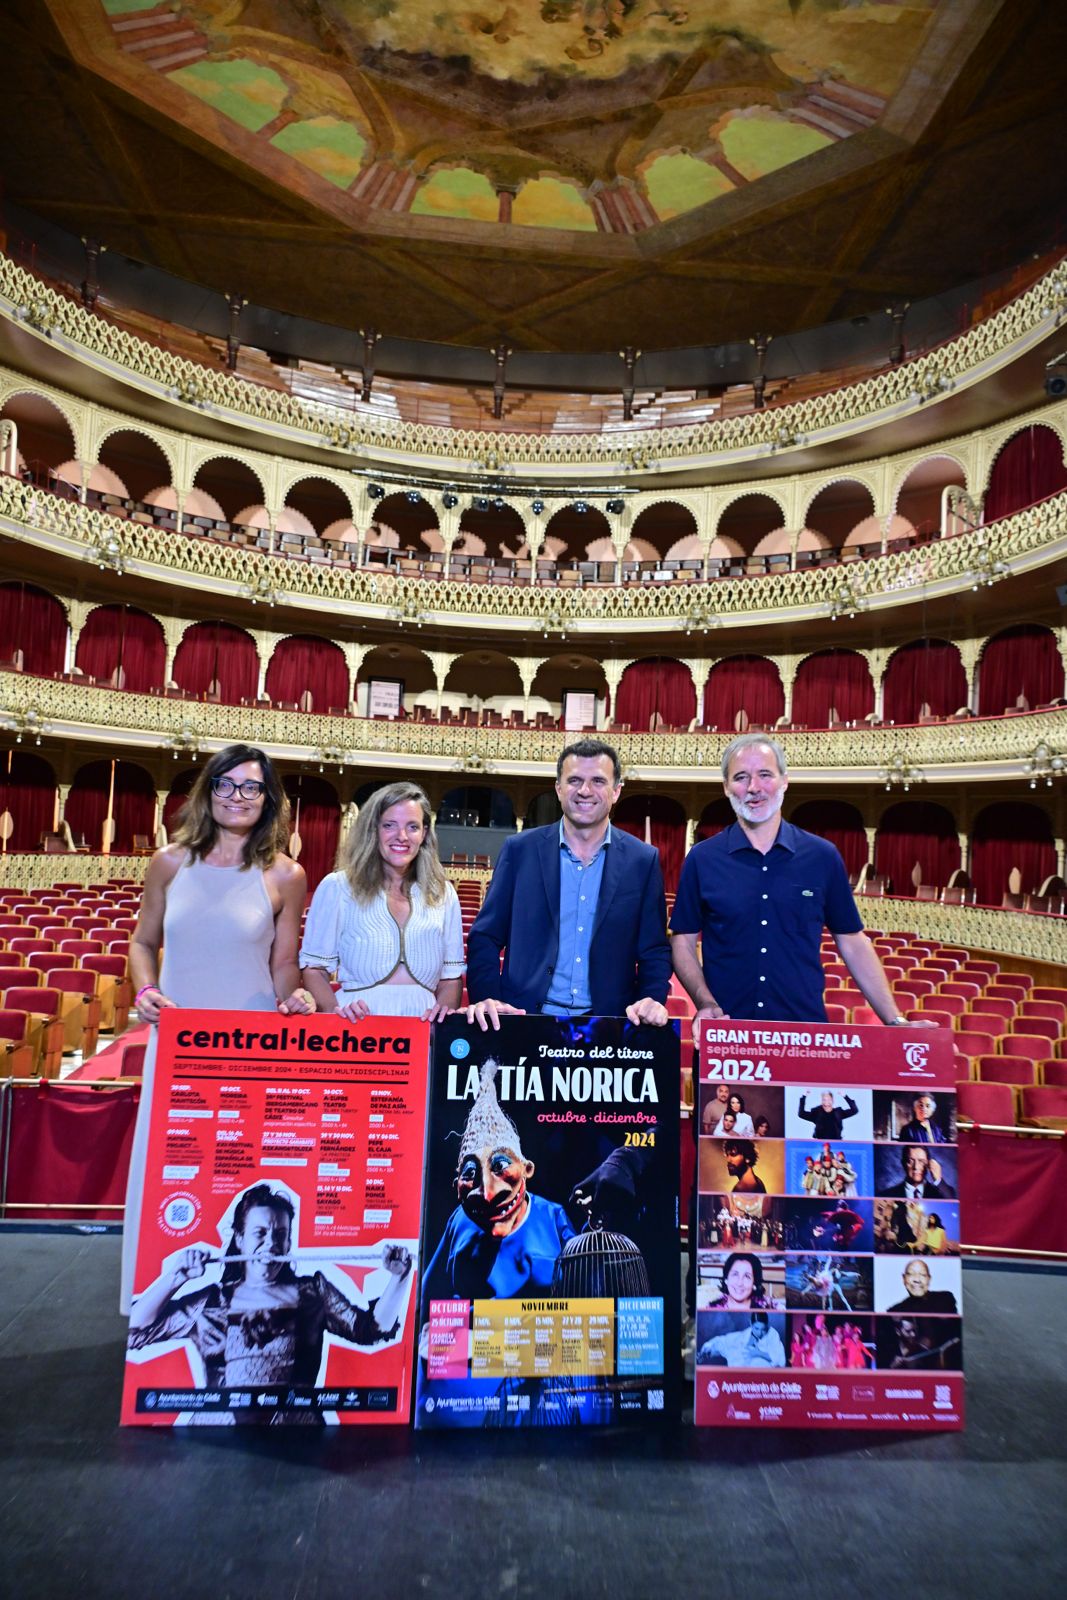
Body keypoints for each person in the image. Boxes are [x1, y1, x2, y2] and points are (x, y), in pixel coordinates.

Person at [122, 744, 314, 1314]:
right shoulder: (170, 863)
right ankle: (155, 1300)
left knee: (242, 1169)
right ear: (208, 792)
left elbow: (283, 963)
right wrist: (146, 989)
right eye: (226, 785)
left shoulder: (286, 874)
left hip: (250, 1043)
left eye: (251, 787)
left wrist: (295, 999)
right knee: (173, 1165)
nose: (237, 797)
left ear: (267, 799)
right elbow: (142, 942)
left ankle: (249, 1303)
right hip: (179, 1042)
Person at [670, 735, 930, 1035]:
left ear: (784, 781)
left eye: (765, 774)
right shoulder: (702, 859)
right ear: (726, 787)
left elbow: (853, 943)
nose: (753, 787)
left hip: (803, 1034)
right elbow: (683, 942)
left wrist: (895, 1020)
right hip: (726, 1032)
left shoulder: (822, 856)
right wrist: (705, 1002)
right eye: (741, 777)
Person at [128, 1183, 412, 1411]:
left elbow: (372, 1330)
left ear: (289, 1242)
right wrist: (174, 1278)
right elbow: (137, 1332)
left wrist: (399, 1277)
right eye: (259, 1233)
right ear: (239, 1239)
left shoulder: (314, 1292)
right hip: (222, 1434)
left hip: (298, 1434)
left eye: (280, 1234)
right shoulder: (211, 1302)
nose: (271, 1243)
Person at [464, 739, 671, 1028]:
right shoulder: (519, 850)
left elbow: (654, 951)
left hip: (608, 1026)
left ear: (616, 791)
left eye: (598, 781)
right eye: (574, 780)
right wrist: (487, 998)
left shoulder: (642, 860)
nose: (585, 791)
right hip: (523, 1020)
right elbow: (485, 937)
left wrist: (652, 998)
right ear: (559, 788)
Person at [420, 1058, 575, 1314]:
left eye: (500, 1165)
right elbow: (429, 1303)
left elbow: (585, 1286)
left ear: (527, 1168)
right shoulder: (458, 1221)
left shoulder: (551, 1216)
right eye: (470, 1172)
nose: (488, 1193)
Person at [299, 780, 464, 1021]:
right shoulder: (337, 887)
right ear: (373, 830)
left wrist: (441, 1020)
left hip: (423, 1025)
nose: (402, 836)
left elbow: (451, 977)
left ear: (425, 833)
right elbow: (314, 968)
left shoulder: (444, 893)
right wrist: (336, 1015)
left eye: (413, 827)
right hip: (356, 1025)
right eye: (389, 825)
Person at [697, 1313, 785, 1369]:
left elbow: (780, 1360)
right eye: (756, 1328)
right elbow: (723, 1342)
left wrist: (758, 1353)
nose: (760, 1333)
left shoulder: (772, 1335)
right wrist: (707, 1351)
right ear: (750, 1323)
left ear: (767, 1326)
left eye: (763, 1329)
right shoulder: (742, 1336)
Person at [703, 1251, 783, 1310]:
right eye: (735, 1274)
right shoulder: (711, 1308)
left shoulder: (770, 1306)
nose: (739, 1283)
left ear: (754, 1283)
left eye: (747, 1276)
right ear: (726, 1279)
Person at [886, 1258, 959, 1315]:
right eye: (911, 1274)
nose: (917, 1279)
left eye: (923, 1274)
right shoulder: (894, 1311)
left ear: (929, 1279)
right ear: (904, 1279)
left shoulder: (945, 1299)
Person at [881, 1144, 957, 1199]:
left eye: (921, 1161)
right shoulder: (886, 1194)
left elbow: (952, 1201)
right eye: (911, 1161)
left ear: (928, 1164)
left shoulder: (941, 1193)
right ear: (903, 1163)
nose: (916, 1167)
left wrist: (938, 1180)